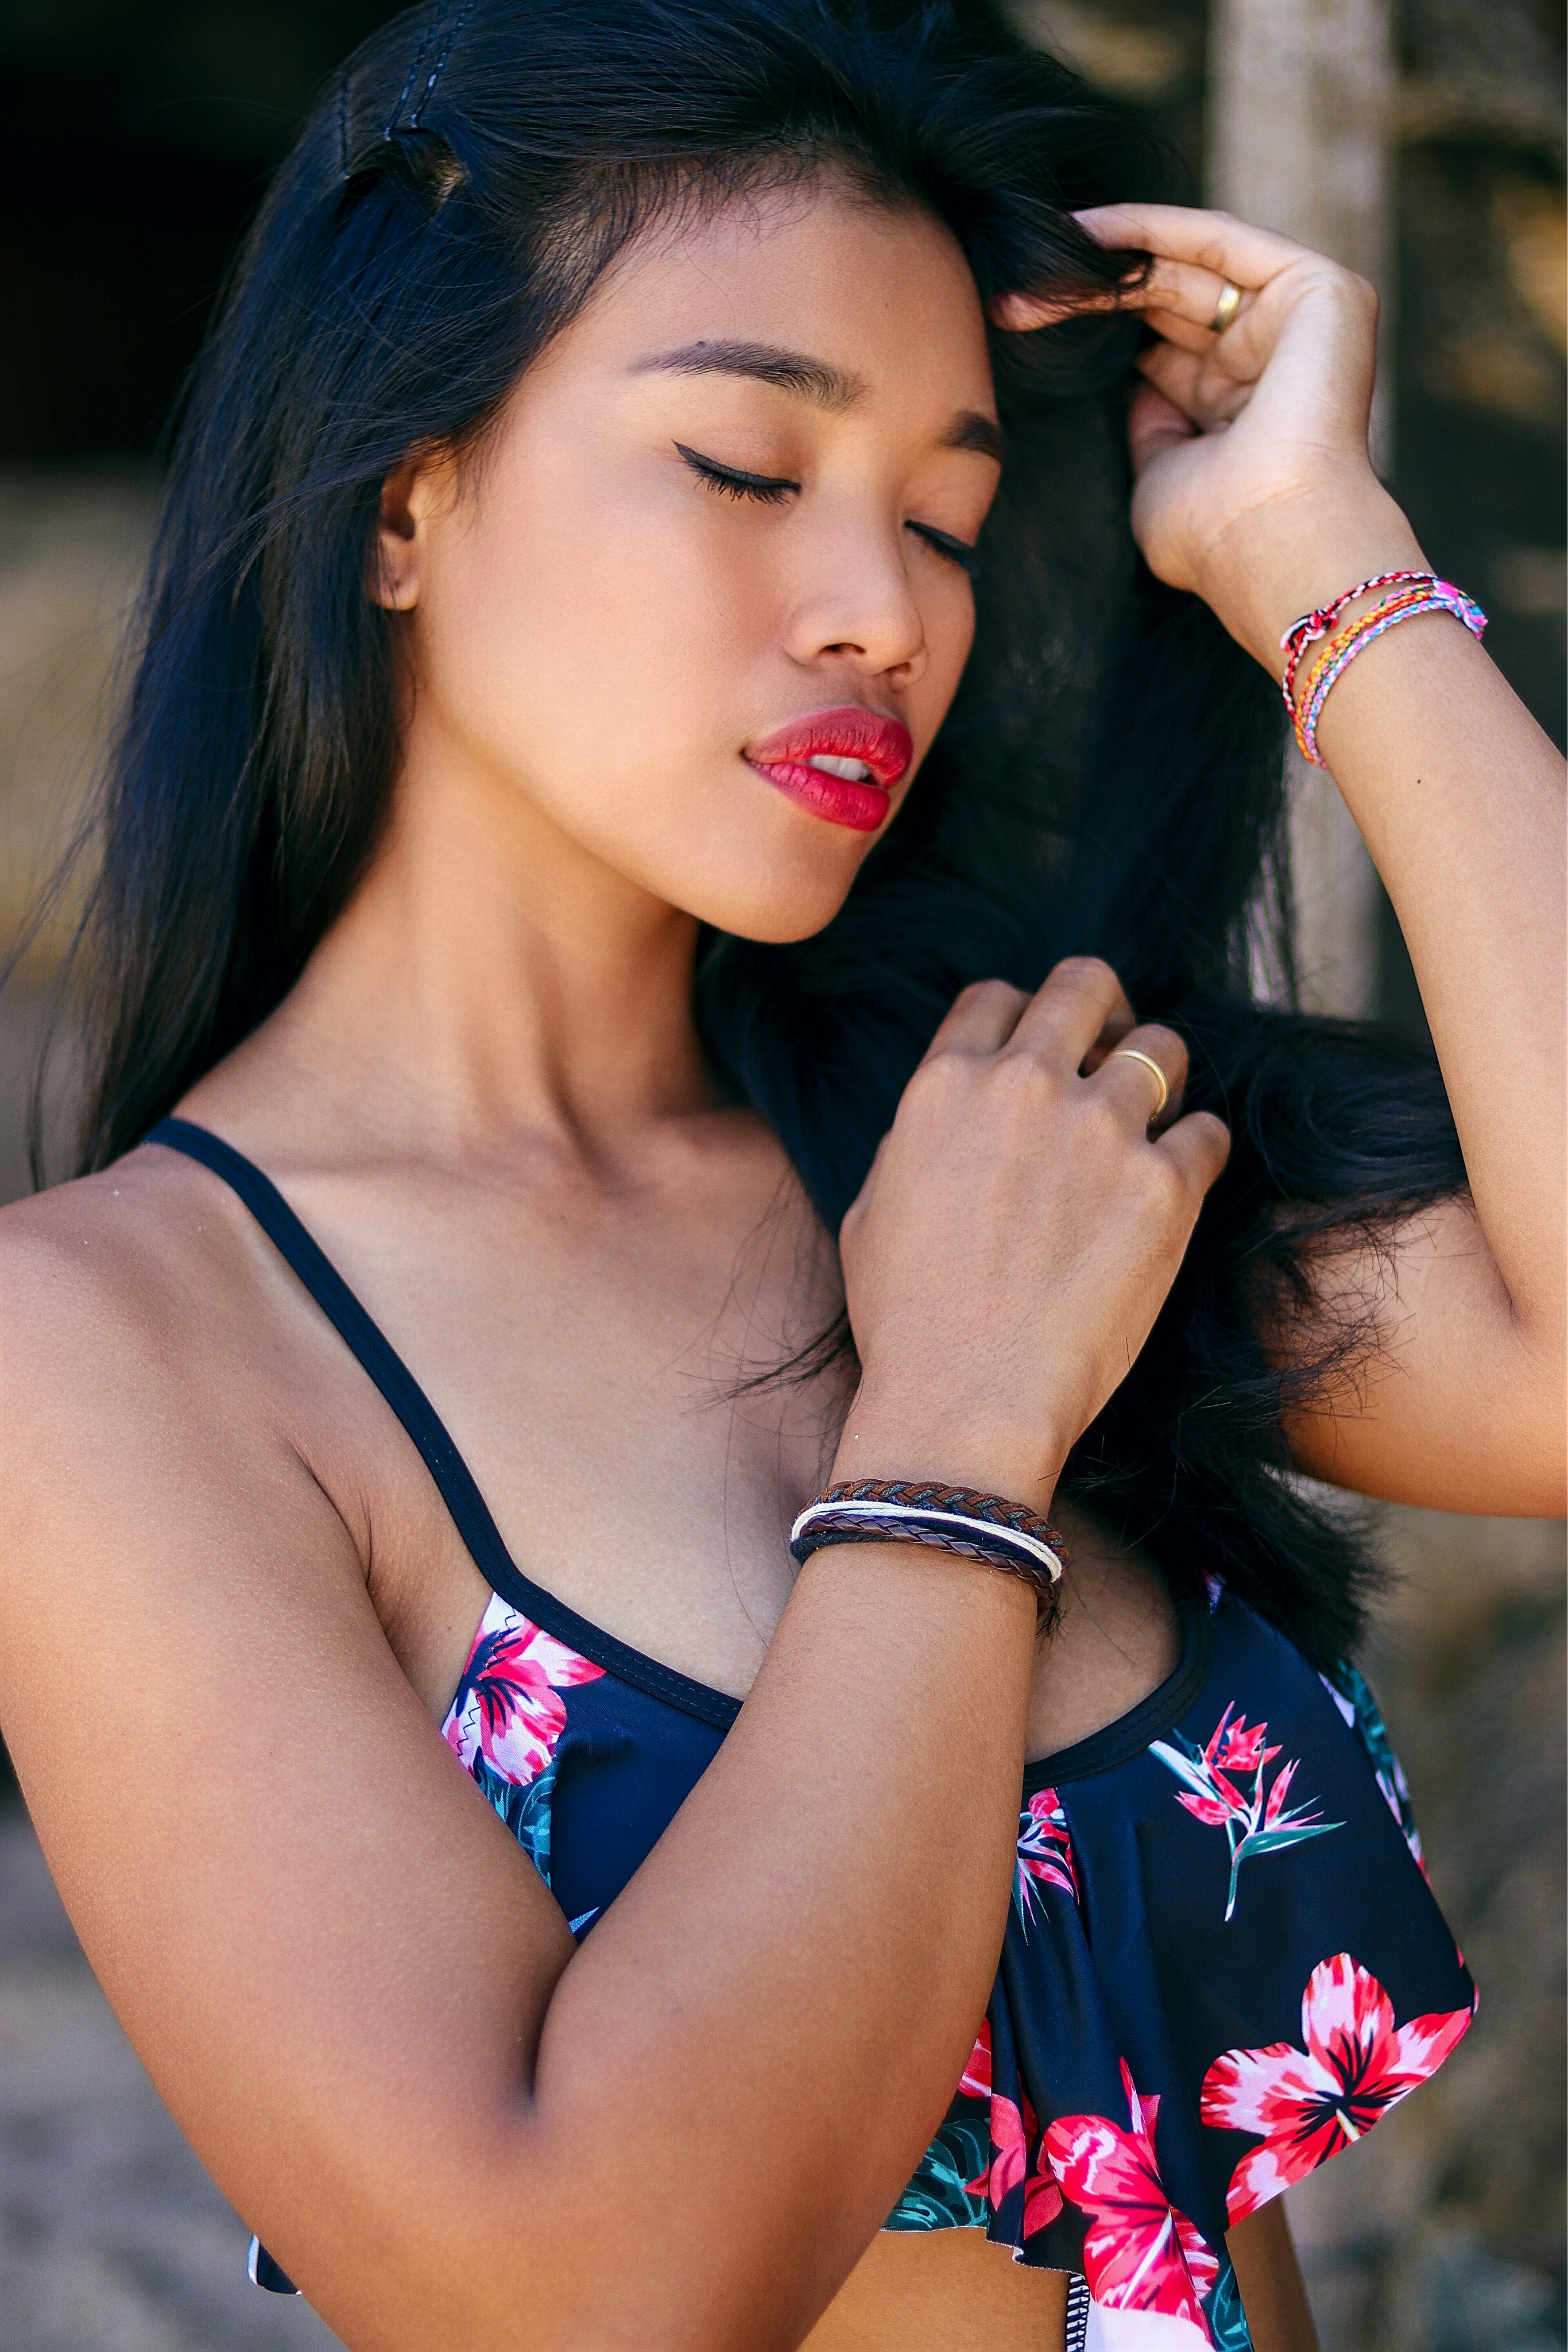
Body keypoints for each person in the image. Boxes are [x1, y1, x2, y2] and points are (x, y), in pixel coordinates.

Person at [0, 3, 1561, 2347]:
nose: (885, 609)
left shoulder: (997, 1127)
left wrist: (1325, 564)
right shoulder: (114, 1341)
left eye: (944, 518)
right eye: (746, 464)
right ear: (401, 501)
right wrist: (953, 1434)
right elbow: (589, 2283)